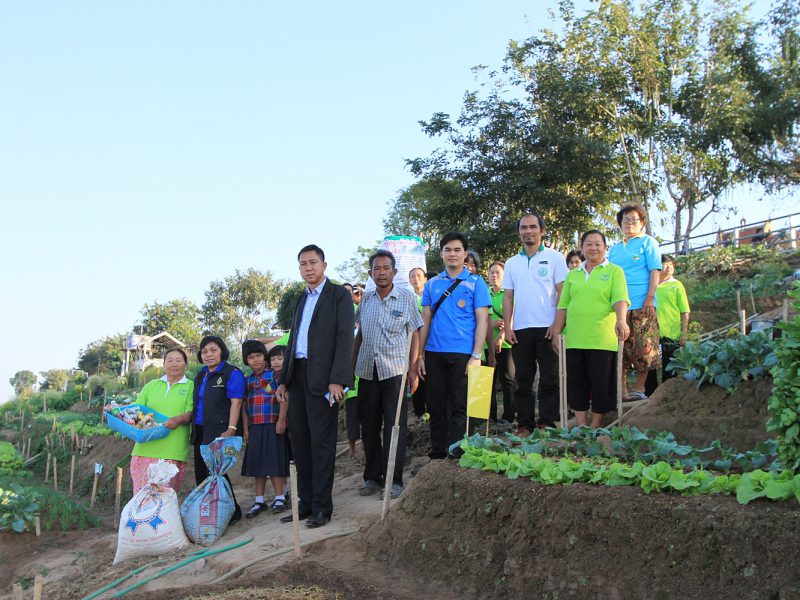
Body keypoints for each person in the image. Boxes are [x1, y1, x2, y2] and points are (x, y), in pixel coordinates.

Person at [276, 244, 354, 529]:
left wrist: (338, 379)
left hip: (324, 380)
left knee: (322, 444)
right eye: (303, 264)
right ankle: (306, 502)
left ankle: (322, 507)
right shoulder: (300, 299)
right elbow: (293, 339)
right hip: (298, 377)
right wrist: (283, 379)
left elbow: (345, 339)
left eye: (313, 262)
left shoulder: (339, 297)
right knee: (301, 444)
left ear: (324, 265)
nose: (308, 268)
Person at [352, 250, 423, 498]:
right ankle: (372, 477)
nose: (381, 272)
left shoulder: (406, 298)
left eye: (385, 268)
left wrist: (413, 368)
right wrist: (351, 370)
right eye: (376, 269)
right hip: (367, 372)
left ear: (393, 272)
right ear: (371, 274)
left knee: (395, 426)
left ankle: (394, 480)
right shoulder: (367, 300)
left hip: (395, 372)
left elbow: (415, 333)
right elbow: (359, 336)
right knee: (369, 426)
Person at [416, 232, 491, 459]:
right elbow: (425, 321)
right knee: (436, 404)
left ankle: (457, 450)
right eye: (448, 250)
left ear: (465, 254)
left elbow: (483, 320)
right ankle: (438, 451)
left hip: (463, 354)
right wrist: (419, 355)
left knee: (460, 405)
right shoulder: (432, 284)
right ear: (441, 254)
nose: (453, 254)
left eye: (457, 250)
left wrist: (476, 354)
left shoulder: (476, 283)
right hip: (434, 353)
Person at [552, 231, 630, 428]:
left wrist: (621, 320)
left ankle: (596, 426)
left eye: (597, 244)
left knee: (601, 384)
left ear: (605, 247)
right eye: (589, 244)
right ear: (582, 247)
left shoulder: (614, 271)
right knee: (577, 383)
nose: (593, 248)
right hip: (575, 338)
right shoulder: (573, 275)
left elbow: (620, 299)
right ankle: (581, 425)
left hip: (602, 338)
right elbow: (563, 305)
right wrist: (556, 331)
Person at [502, 214, 568, 434]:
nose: (528, 231)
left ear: (541, 230)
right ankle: (525, 424)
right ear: (519, 232)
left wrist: (557, 325)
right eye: (523, 228)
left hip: (548, 328)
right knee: (523, 379)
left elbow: (562, 294)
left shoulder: (555, 257)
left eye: (532, 227)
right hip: (520, 330)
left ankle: (547, 422)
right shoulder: (512, 263)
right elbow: (508, 297)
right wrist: (509, 327)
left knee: (550, 377)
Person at [608, 202, 662, 400]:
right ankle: (622, 391)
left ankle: (639, 389)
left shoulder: (648, 242)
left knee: (644, 346)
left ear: (642, 223)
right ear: (620, 224)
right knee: (619, 347)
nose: (629, 223)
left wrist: (650, 297)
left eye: (634, 220)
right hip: (618, 306)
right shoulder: (614, 250)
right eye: (625, 220)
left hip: (642, 303)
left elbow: (655, 270)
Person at [191, 335, 245, 523]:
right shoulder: (201, 374)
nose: (208, 355)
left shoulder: (231, 373)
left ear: (222, 351)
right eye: (204, 351)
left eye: (213, 350)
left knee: (218, 472)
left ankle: (233, 511)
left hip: (219, 430)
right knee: (201, 473)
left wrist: (231, 428)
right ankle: (211, 511)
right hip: (200, 429)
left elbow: (236, 403)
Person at [129, 348, 194, 492]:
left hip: (172, 451)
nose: (174, 364)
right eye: (170, 360)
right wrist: (116, 408)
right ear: (164, 364)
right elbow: (135, 408)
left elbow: (191, 413)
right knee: (142, 499)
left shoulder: (191, 387)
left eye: (179, 360)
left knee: (164, 503)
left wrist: (177, 419)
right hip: (144, 450)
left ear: (186, 364)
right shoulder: (152, 385)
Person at [240, 341, 289, 519]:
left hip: (273, 424)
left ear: (264, 357)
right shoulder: (248, 380)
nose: (256, 360)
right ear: (247, 361)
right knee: (258, 463)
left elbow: (284, 397)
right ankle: (259, 500)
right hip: (255, 426)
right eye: (251, 357)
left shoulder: (275, 376)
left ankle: (279, 497)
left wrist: (282, 420)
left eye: (259, 356)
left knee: (274, 461)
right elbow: (244, 406)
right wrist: (245, 428)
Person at [487, 261, 516, 425]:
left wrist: (503, 335)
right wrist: (491, 324)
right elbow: (482, 318)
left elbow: (513, 316)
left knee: (508, 380)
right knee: (487, 381)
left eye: (498, 272)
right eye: (492, 272)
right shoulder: (485, 294)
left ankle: (509, 416)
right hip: (486, 345)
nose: (495, 275)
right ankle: (488, 417)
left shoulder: (510, 294)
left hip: (506, 345)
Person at [655, 255, 690, 381]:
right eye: (665, 264)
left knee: (669, 369)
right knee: (650, 367)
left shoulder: (676, 285)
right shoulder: (650, 284)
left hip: (671, 333)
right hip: (652, 332)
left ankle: (666, 395)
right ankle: (649, 394)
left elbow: (684, 311)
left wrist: (683, 333)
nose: (669, 267)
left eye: (671, 264)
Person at [408, 267, 428, 417]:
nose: (416, 279)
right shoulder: (407, 299)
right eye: (413, 276)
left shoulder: (430, 298)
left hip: (429, 342)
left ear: (425, 279)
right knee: (414, 374)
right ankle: (419, 412)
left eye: (419, 276)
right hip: (412, 344)